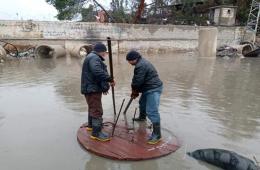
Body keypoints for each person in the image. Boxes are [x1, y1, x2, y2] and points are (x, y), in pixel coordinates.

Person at [126, 50, 163, 145]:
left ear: (134, 59)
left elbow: (137, 82)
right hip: (147, 88)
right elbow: (137, 80)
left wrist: (134, 91)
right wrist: (135, 91)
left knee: (152, 111)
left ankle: (157, 135)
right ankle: (142, 118)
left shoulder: (141, 65)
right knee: (142, 104)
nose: (129, 63)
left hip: (153, 89)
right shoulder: (141, 62)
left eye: (129, 61)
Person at [81, 42, 115, 142]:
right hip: (92, 89)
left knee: (92, 107)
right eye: (105, 52)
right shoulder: (94, 58)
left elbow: (95, 74)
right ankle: (96, 133)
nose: (105, 54)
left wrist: (104, 87)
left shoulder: (91, 56)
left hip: (90, 88)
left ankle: (91, 126)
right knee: (97, 110)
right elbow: (97, 72)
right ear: (102, 51)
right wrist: (110, 79)